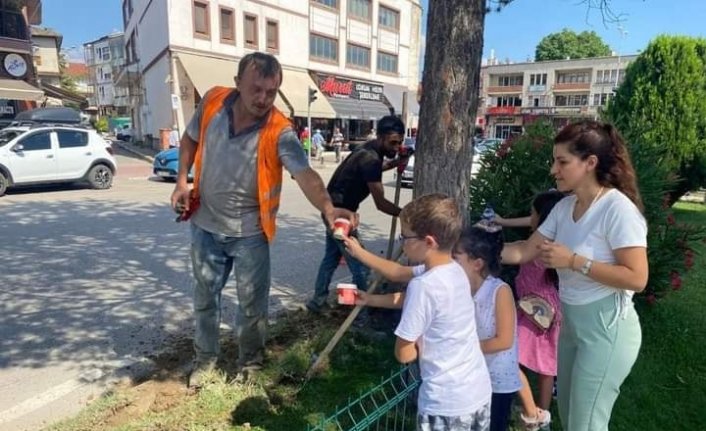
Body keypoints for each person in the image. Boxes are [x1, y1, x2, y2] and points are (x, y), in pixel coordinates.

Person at [170, 52, 354, 388]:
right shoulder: (212, 101)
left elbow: (306, 174)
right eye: (256, 89)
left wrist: (328, 208)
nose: (263, 99)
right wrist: (182, 181)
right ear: (237, 81)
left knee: (252, 307)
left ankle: (250, 364)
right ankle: (205, 360)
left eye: (271, 92)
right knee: (205, 300)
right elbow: (190, 138)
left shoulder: (280, 131)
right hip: (205, 228)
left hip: (250, 234)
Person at [501, 120, 648, 431]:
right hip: (571, 326)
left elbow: (637, 278)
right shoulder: (564, 206)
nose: (554, 170)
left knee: (586, 424)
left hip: (606, 330)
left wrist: (575, 261)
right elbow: (524, 251)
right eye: (555, 161)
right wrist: (471, 250)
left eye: (562, 161)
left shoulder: (617, 210)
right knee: (570, 416)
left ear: (590, 163)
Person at [345, 194, 492, 431]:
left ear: (429, 242)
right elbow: (399, 274)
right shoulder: (454, 269)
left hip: (446, 404)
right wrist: (369, 294)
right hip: (477, 392)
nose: (402, 241)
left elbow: (404, 354)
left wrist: (421, 340)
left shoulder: (422, 286)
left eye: (405, 236)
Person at [306, 115, 409, 315]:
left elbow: (374, 171)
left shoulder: (369, 150)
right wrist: (406, 214)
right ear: (380, 137)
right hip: (339, 217)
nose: (397, 147)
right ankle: (361, 319)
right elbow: (381, 204)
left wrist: (397, 162)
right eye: (393, 142)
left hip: (333, 210)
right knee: (361, 266)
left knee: (331, 258)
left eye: (400, 142)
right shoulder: (370, 158)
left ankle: (317, 302)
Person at [494, 191, 566, 430]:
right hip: (547, 310)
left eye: (534, 213)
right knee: (547, 366)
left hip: (537, 312)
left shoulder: (539, 247)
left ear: (543, 218)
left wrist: (481, 247)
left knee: (508, 355)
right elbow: (527, 223)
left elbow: (518, 250)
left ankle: (533, 412)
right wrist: (502, 221)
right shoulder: (555, 238)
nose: (530, 217)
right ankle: (543, 414)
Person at [454, 225, 522, 431]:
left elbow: (504, 341)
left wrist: (462, 349)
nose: (450, 262)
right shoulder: (461, 287)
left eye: (456, 257)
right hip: (473, 374)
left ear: (477, 264)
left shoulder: (499, 291)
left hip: (497, 381)